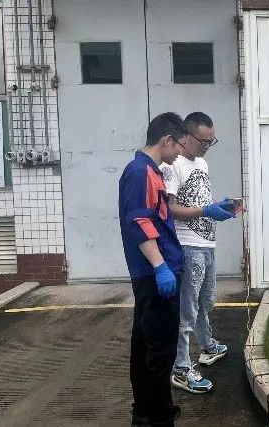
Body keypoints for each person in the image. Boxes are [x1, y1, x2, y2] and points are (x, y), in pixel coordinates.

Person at [118, 112, 189, 426]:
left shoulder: (149, 171)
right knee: (159, 350)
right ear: (167, 140)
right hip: (155, 275)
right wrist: (160, 266)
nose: (179, 154)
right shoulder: (141, 172)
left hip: (156, 272)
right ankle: (157, 417)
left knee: (147, 344)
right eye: (179, 146)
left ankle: (146, 412)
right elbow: (139, 221)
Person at [162, 112, 237, 394]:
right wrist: (206, 210)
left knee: (206, 301)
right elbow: (169, 209)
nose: (207, 147)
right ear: (186, 135)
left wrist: (219, 206)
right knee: (187, 309)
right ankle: (181, 369)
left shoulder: (202, 163)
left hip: (207, 244)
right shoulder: (172, 166)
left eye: (211, 141)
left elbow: (199, 199)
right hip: (188, 246)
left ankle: (207, 346)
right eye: (203, 141)